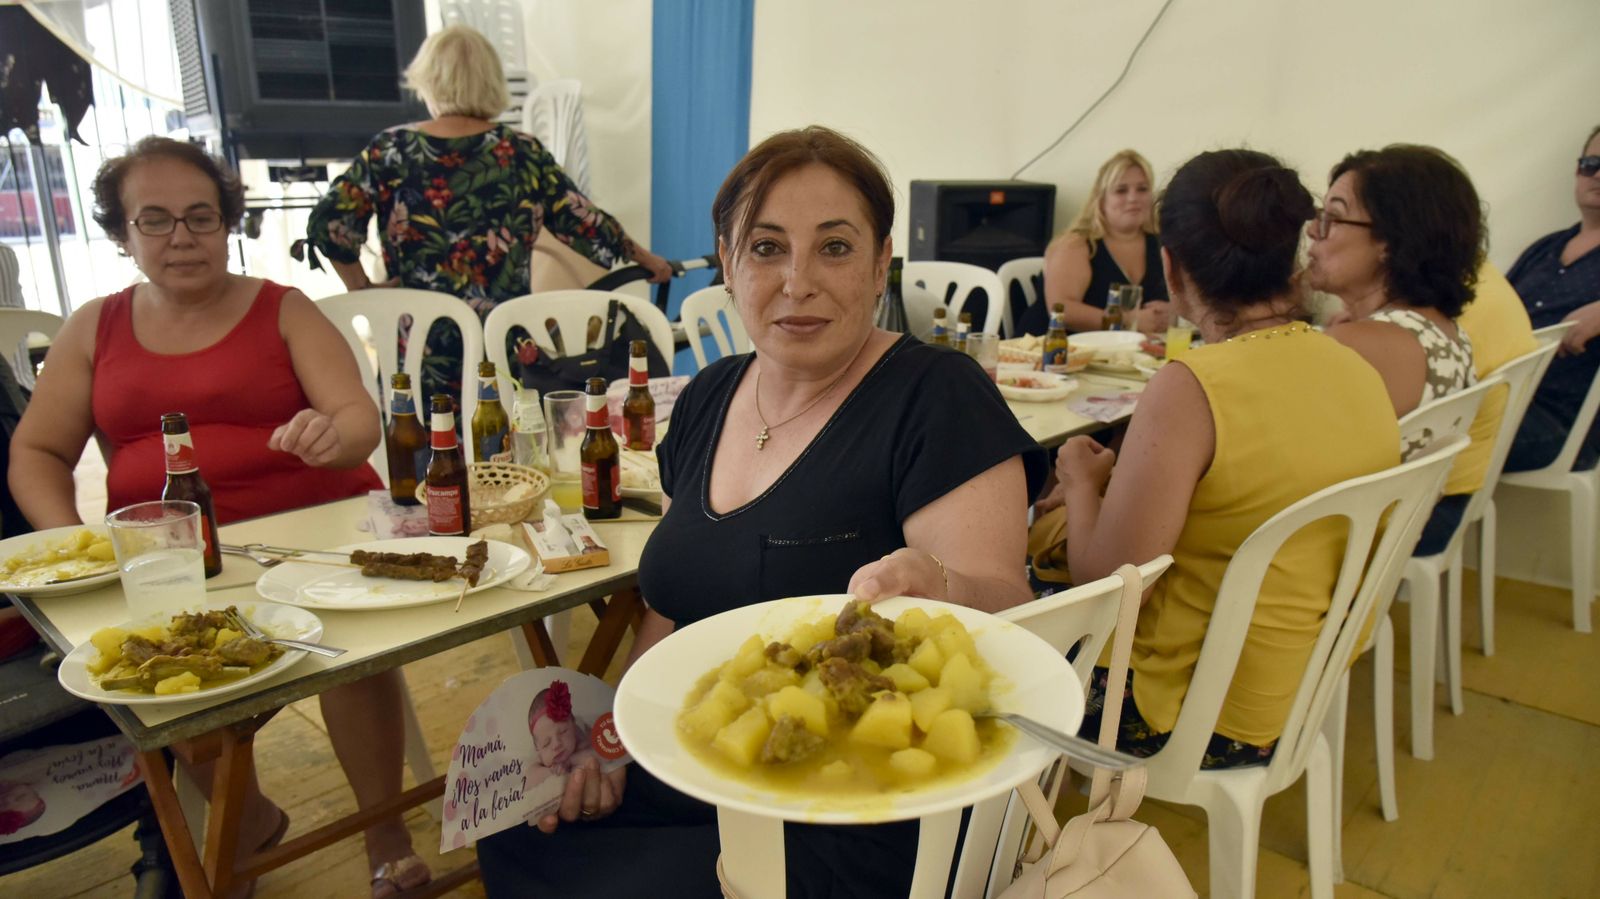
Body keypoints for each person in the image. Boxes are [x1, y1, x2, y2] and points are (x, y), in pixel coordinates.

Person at [475, 125, 1047, 898]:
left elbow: (1010, 609)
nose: (798, 281)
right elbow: (674, 609)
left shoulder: (936, 395)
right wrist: (613, 741)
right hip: (707, 765)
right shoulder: (711, 395)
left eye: (836, 248)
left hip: (856, 804)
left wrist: (941, 583)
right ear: (728, 262)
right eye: (768, 248)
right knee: (514, 828)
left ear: (882, 263)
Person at [6, 137, 427, 899]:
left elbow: (358, 419)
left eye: (200, 217)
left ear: (227, 223)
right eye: (155, 220)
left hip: (314, 542)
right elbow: (36, 449)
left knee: (354, 654)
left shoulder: (282, 307)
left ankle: (385, 829)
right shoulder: (92, 328)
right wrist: (73, 544)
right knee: (168, 677)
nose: (181, 237)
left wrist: (334, 434)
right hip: (173, 560)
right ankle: (250, 820)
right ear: (122, 234)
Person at [1036, 149, 1398, 767]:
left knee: (1012, 565)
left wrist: (1079, 481)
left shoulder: (1193, 386)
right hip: (1294, 692)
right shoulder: (1356, 367)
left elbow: (1108, 587)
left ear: (1171, 268)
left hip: (1181, 714)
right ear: (1294, 256)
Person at [304, 25, 673, 410]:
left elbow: (329, 225)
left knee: (420, 455)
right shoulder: (521, 153)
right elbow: (585, 220)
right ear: (492, 82)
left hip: (418, 353)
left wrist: (361, 288)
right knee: (502, 455)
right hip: (498, 351)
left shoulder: (391, 150)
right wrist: (648, 260)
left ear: (429, 80)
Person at [1312, 145, 1483, 554]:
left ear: (1389, 242)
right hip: (1381, 556)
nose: (1312, 231)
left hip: (1321, 564)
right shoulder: (1445, 331)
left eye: (1333, 218)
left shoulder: (1357, 346)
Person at [1503, 125, 1600, 473]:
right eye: (1591, 164)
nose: (1597, 174)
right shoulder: (1544, 248)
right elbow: (1485, 310)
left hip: (1560, 423)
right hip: (1495, 398)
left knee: (1428, 445)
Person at [1021, 149, 1170, 336]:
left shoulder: (1162, 243)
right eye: (1121, 190)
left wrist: (1174, 314)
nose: (1133, 198)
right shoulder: (1076, 244)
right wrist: (1128, 320)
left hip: (1126, 356)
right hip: (1052, 350)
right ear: (1101, 199)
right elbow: (1062, 310)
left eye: (1142, 189)